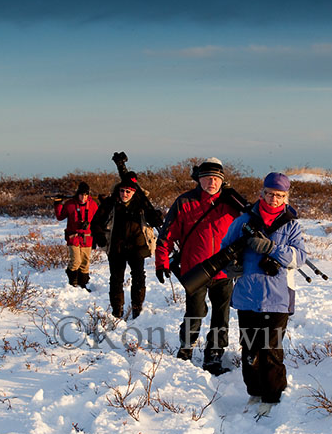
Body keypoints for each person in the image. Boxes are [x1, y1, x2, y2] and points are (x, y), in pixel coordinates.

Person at [221, 172, 307, 417]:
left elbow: (299, 257)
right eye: (270, 193)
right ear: (262, 193)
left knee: (270, 349)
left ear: (286, 197)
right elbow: (225, 247)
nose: (274, 199)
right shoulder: (243, 220)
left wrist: (272, 248)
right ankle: (255, 392)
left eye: (280, 195)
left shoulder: (291, 225)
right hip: (248, 295)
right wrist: (232, 264)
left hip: (278, 297)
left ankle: (273, 395)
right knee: (249, 348)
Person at [155, 158, 243, 375]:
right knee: (194, 311)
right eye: (207, 178)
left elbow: (248, 229)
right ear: (199, 180)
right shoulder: (185, 202)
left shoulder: (232, 203)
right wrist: (161, 261)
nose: (211, 182)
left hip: (224, 270)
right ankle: (186, 347)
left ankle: (214, 354)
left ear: (222, 181)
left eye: (216, 179)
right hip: (195, 270)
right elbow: (167, 234)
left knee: (221, 314)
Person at [91, 170, 163, 319]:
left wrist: (157, 217)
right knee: (116, 279)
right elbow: (96, 222)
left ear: (133, 192)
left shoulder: (141, 204)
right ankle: (117, 310)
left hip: (138, 247)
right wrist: (99, 237)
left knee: (139, 278)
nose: (124, 194)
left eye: (128, 191)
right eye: (122, 191)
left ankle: (137, 308)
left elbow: (154, 220)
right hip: (116, 248)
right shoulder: (110, 203)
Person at [53, 181, 98, 290]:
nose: (83, 197)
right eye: (81, 194)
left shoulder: (93, 205)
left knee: (85, 262)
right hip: (73, 236)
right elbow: (60, 216)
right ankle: (72, 282)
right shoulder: (70, 204)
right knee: (75, 260)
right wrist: (58, 203)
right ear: (78, 194)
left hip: (87, 237)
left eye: (86, 195)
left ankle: (83, 284)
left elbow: (99, 219)